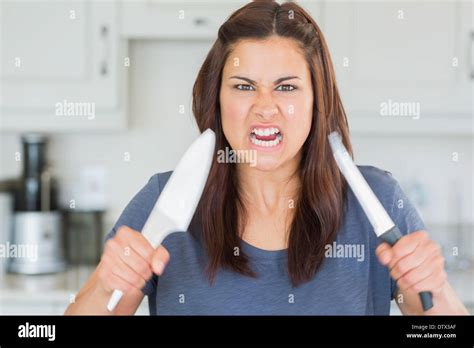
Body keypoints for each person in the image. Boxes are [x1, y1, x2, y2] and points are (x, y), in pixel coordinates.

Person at [65, 0, 468, 315]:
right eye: (243, 86)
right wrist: (108, 284)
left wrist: (432, 288)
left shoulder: (376, 200)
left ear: (316, 101)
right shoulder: (163, 200)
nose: (265, 107)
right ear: (216, 99)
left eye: (287, 88)